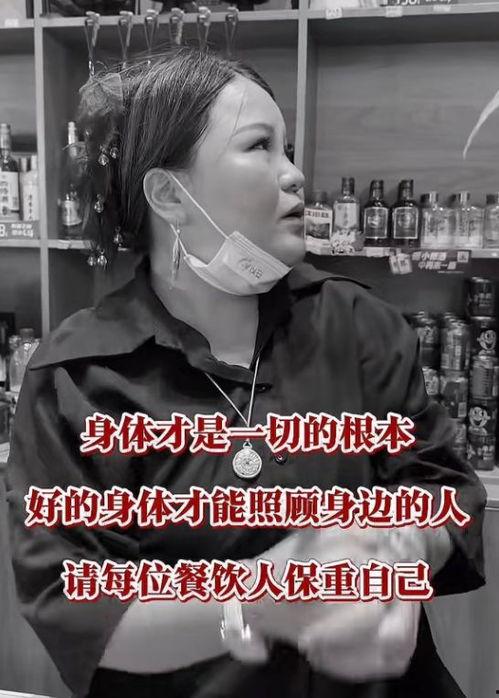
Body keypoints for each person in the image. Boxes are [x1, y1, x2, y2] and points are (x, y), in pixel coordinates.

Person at [5, 47, 486, 698]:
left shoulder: (357, 325)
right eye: (260, 146)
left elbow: (445, 493)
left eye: (287, 148)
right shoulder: (77, 377)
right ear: (169, 195)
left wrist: (398, 552)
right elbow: (77, 605)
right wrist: (254, 601)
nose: (294, 175)